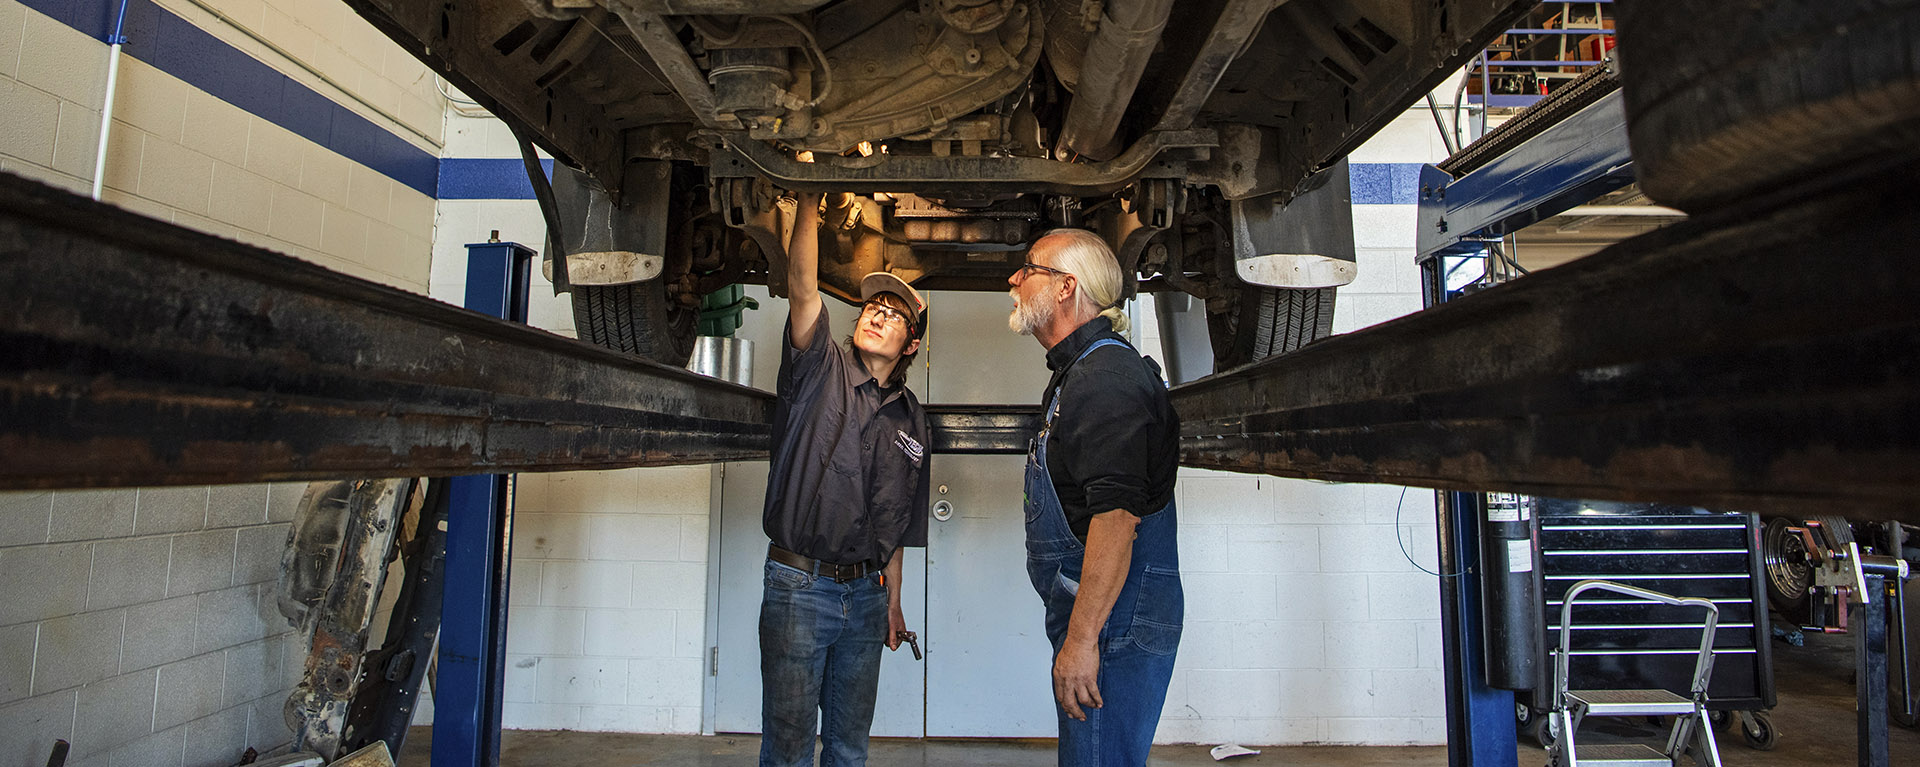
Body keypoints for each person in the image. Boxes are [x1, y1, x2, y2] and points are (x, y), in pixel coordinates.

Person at [759, 191, 932, 767]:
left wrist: (894, 601)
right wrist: (809, 197)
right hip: (799, 587)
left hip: (867, 597)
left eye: (894, 312)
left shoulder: (913, 419)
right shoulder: (820, 365)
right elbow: (804, 286)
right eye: (873, 306)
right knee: (787, 747)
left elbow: (901, 520)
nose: (878, 312)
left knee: (849, 747)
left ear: (910, 345)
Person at [1007, 228, 1183, 766]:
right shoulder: (1079, 373)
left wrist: (1082, 641)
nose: (1014, 278)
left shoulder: (1104, 379)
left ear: (1065, 287)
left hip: (1113, 622)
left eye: (1028, 268)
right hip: (1106, 615)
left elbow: (1116, 519)